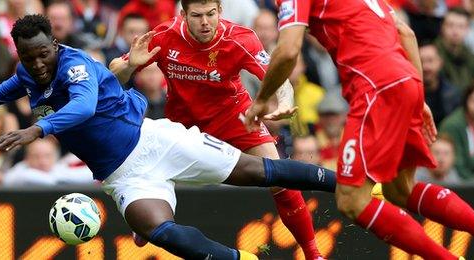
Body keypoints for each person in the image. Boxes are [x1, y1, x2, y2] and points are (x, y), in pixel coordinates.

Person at [0, 14, 338, 260]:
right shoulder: (28, 70)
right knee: (159, 232)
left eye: (43, 54)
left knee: (259, 172)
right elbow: (14, 84)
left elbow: (83, 107)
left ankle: (346, 183)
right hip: (124, 175)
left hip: (154, 141)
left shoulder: (77, 66)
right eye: (28, 57)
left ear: (55, 45)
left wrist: (37, 129)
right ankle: (240, 258)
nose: (37, 65)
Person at [243, 0, 474, 259]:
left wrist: (261, 99)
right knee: (400, 190)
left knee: (352, 200)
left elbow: (289, 50)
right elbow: (405, 32)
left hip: (375, 88)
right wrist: (418, 94)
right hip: (405, 80)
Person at [109, 1, 323, 259]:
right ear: (183, 15)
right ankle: (147, 223)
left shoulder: (241, 38)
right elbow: (113, 77)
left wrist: (286, 101)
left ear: (220, 12)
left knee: (280, 179)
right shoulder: (164, 36)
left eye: (211, 14)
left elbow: (277, 76)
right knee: (153, 171)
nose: (205, 22)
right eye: (197, 16)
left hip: (233, 117)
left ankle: (313, 254)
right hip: (183, 123)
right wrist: (130, 65)